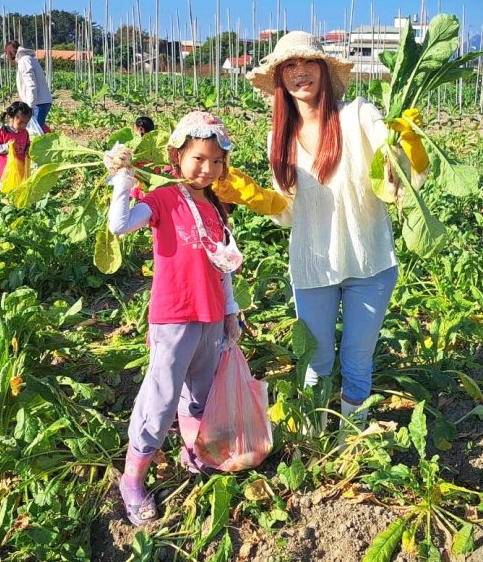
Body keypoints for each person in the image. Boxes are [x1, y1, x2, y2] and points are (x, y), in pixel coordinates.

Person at [216, 31, 400, 427]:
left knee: (357, 359)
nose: (300, 72)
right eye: (289, 67)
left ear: (323, 69)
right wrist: (253, 195)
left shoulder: (358, 116)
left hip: (370, 263)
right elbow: (288, 211)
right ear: (280, 80)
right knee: (316, 360)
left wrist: (403, 147)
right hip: (313, 266)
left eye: (308, 63)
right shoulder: (278, 140)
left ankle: (351, 438)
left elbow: (399, 173)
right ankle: (316, 435)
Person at [107, 111, 242, 526]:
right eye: (199, 158)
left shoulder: (216, 207)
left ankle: (193, 453)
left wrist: (231, 313)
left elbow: (224, 266)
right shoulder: (165, 199)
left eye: (216, 161)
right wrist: (124, 180)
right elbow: (120, 225)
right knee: (160, 400)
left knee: (200, 395)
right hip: (174, 317)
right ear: (176, 156)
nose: (208, 168)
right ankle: (132, 478)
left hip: (210, 317)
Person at [4, 40, 52, 129]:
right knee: (35, 131)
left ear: (10, 53)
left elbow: (31, 86)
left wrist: (29, 108)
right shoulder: (28, 59)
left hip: (37, 103)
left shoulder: (24, 61)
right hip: (40, 102)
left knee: (34, 133)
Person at [0, 101, 31, 185]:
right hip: (5, 169)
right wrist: (7, 147)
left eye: (25, 123)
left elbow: (27, 144)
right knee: (5, 189)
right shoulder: (2, 133)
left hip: (19, 168)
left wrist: (28, 149)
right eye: (20, 123)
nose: (23, 126)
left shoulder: (25, 133)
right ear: (10, 118)